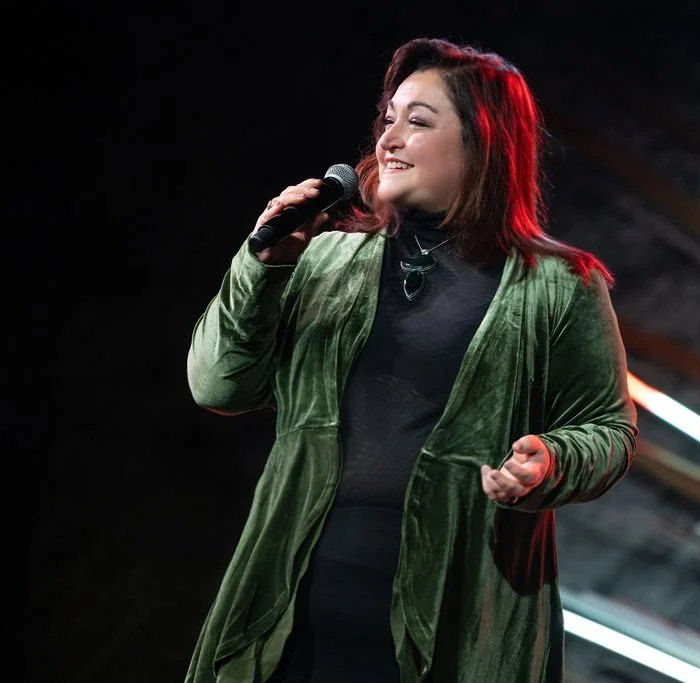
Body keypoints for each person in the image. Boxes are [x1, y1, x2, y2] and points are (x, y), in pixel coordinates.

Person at [184, 37, 638, 683]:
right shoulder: (325, 258)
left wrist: (551, 460)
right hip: (291, 611)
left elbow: (610, 430)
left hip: (454, 618)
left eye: (418, 122)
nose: (389, 139)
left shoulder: (558, 286)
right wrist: (261, 267)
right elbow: (218, 384)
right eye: (388, 118)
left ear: (482, 143)